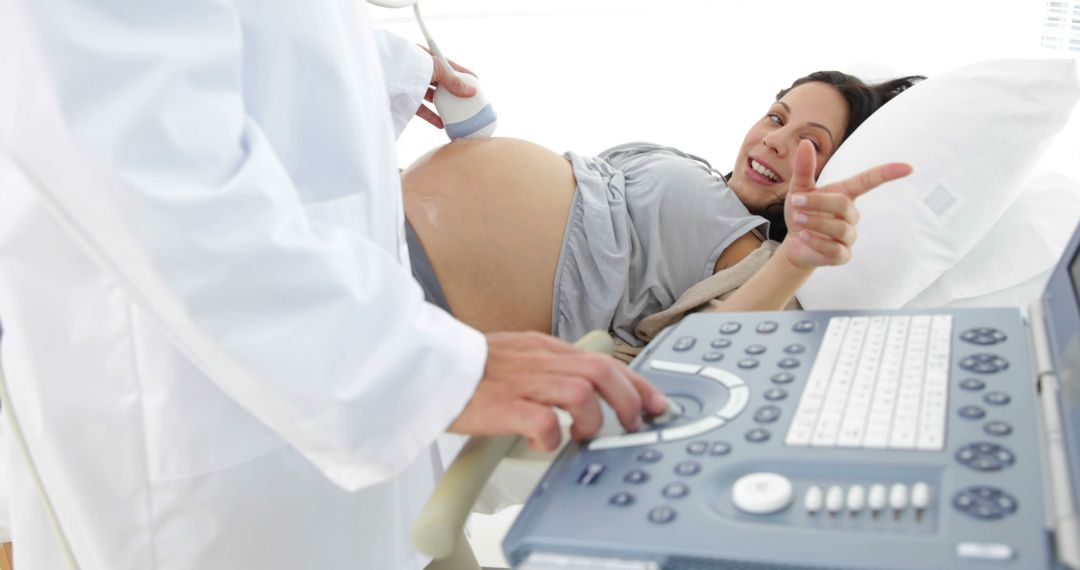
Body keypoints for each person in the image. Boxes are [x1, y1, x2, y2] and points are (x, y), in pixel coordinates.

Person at [0, 1, 667, 569]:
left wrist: (370, 61)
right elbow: (137, 148)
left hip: (346, 384)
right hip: (205, 435)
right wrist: (426, 370)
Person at [402, 71, 923, 345]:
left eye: (809, 140)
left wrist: (796, 258)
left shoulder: (759, 263)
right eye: (775, 117)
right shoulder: (690, 168)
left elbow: (721, 341)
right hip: (383, 213)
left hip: (430, 298)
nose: (775, 141)